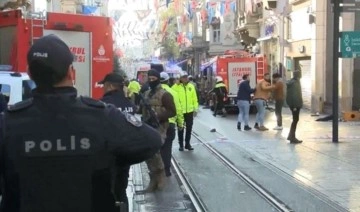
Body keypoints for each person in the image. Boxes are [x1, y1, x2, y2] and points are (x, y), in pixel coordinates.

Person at [0, 34, 162, 212]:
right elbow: (152, 141)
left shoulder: (7, 123)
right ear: (71, 72)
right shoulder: (102, 117)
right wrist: (111, 158)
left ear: (30, 73)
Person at [99, 73, 137, 212]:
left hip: (109, 155)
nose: (103, 88)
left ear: (109, 86)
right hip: (126, 154)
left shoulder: (104, 104)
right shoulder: (129, 104)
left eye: (104, 85)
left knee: (108, 191)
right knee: (121, 190)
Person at [141, 69, 176, 191]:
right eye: (149, 79)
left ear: (158, 79)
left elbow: (172, 111)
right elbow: (141, 110)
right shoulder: (146, 94)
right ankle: (153, 179)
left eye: (153, 79)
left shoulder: (165, 94)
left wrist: (158, 116)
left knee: (157, 153)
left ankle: (160, 178)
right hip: (147, 127)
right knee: (149, 154)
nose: (151, 81)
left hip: (161, 127)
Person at [159, 72, 184, 176]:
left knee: (158, 148)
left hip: (158, 124)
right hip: (171, 123)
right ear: (168, 80)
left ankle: (158, 170)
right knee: (167, 147)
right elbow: (178, 110)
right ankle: (167, 170)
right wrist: (180, 124)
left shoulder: (154, 92)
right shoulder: (173, 92)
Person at [176, 71, 198, 151]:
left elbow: (194, 98)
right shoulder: (177, 87)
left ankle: (187, 144)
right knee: (180, 128)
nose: (185, 78)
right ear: (180, 78)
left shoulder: (191, 86)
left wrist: (196, 109)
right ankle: (181, 145)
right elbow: (171, 92)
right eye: (183, 77)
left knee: (189, 128)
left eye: (186, 77)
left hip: (189, 111)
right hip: (180, 112)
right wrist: (176, 83)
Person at [286, 70, 303, 144]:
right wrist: (295, 106)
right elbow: (295, 95)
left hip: (294, 104)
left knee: (295, 120)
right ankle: (292, 137)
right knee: (295, 120)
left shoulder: (293, 81)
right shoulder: (295, 83)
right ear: (299, 75)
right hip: (295, 105)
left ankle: (291, 136)